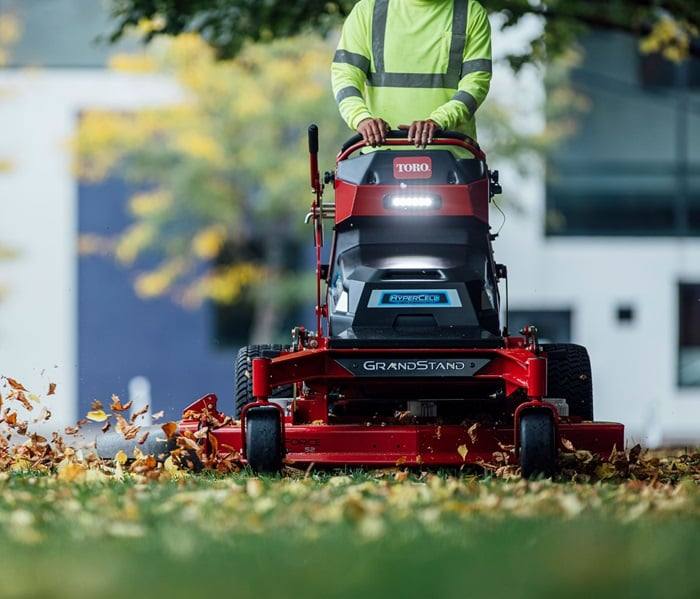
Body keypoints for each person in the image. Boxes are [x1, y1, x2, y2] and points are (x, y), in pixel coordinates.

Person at [331, 0, 492, 148]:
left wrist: (438, 121)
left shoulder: (470, 12)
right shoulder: (367, 11)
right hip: (380, 155)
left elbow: (476, 83)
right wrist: (361, 118)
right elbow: (345, 75)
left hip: (452, 154)